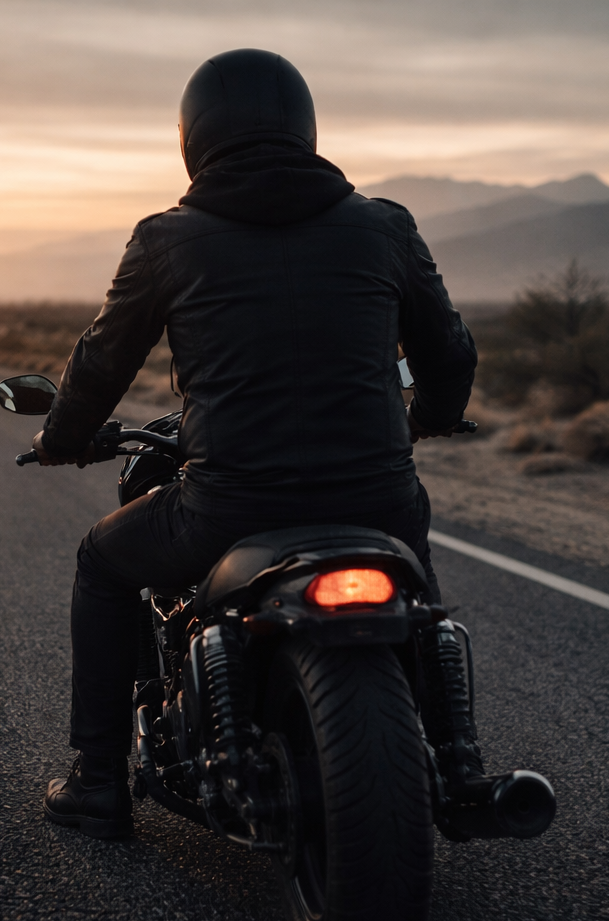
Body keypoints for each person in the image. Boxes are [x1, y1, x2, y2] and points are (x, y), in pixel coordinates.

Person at [34, 49, 482, 838]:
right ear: (306, 130)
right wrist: (432, 417)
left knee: (101, 563)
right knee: (417, 597)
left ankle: (100, 781)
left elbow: (102, 361)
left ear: (193, 138)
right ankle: (456, 761)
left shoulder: (167, 240)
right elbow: (449, 351)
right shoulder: (384, 226)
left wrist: (62, 436)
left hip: (227, 507)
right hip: (378, 499)